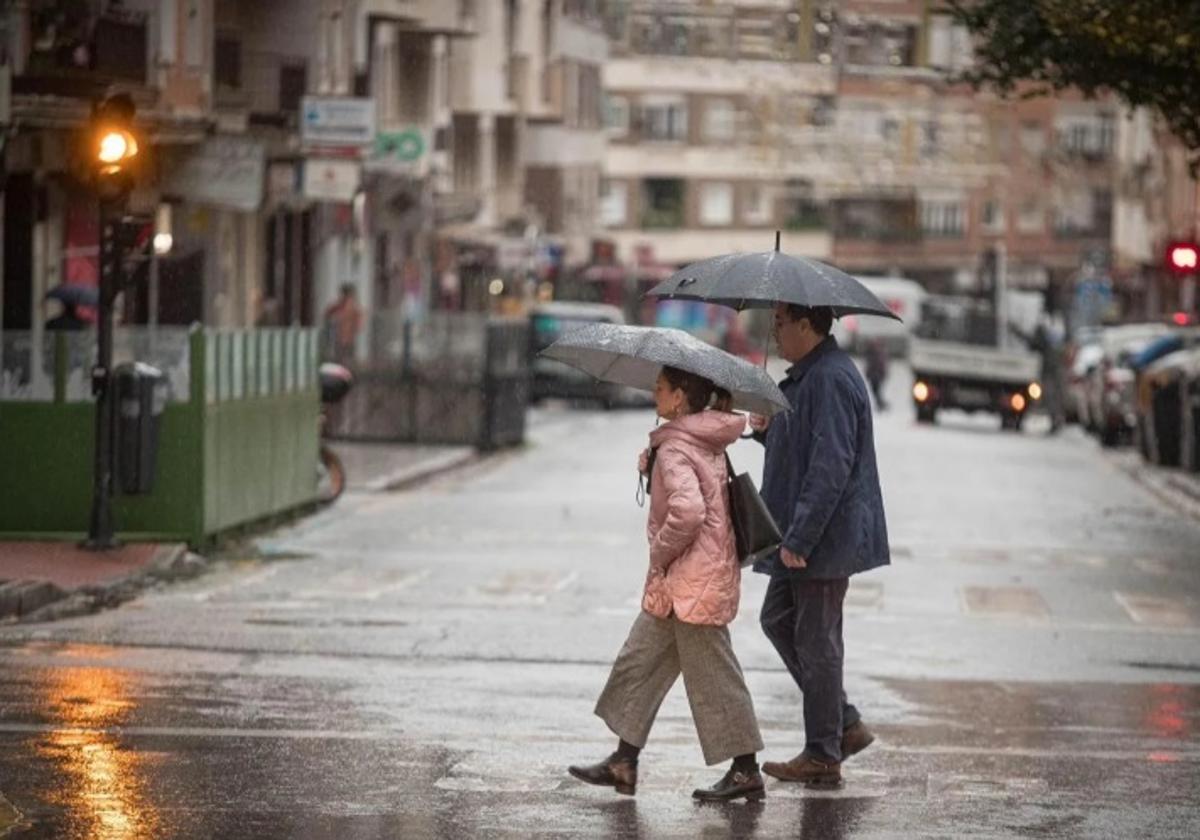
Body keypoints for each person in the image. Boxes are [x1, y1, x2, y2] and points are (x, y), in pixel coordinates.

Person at [569, 366, 766, 802]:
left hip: (690, 580)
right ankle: (624, 761)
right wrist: (652, 465)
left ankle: (746, 770)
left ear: (679, 398)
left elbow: (690, 511)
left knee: (715, 677)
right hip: (686, 582)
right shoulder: (695, 439)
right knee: (639, 663)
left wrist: (660, 550)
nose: (653, 391)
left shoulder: (678, 445)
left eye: (660, 387)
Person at [747, 304, 890, 787]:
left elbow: (831, 464)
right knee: (779, 620)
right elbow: (806, 446)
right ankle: (842, 724)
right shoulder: (810, 376)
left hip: (821, 537)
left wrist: (801, 537)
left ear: (807, 325)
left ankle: (823, 753)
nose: (775, 332)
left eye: (780, 323)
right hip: (804, 531)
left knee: (818, 640)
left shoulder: (829, 378)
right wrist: (768, 431)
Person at [323, 284, 363, 362]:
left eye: (349, 296)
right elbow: (327, 317)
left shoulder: (355, 310)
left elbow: (359, 325)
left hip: (349, 341)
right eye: (345, 295)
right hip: (337, 340)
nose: (347, 299)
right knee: (339, 360)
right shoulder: (336, 308)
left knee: (347, 360)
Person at [864, 338, 889, 411]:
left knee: (876, 391)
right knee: (876, 391)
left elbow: (877, 365)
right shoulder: (873, 353)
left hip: (876, 375)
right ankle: (880, 404)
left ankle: (881, 404)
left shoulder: (876, 354)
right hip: (875, 375)